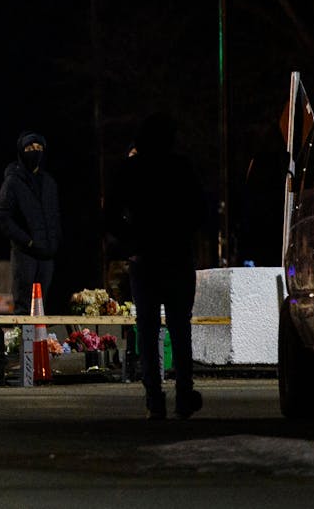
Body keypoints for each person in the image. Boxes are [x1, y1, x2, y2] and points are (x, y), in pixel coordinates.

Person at [105, 112, 207, 420]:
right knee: (180, 329)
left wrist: (130, 245)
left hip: (145, 259)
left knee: (148, 331)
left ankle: (154, 398)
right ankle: (184, 394)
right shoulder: (181, 168)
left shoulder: (130, 169)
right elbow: (198, 211)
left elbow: (109, 215)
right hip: (177, 258)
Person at [0, 131, 61, 315]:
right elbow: (3, 218)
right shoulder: (13, 182)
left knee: (43, 308)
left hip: (47, 255)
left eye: (39, 148)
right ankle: (24, 343)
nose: (35, 151)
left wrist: (54, 241)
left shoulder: (49, 182)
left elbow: (55, 215)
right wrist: (27, 241)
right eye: (30, 148)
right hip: (25, 254)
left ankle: (41, 343)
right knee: (24, 308)